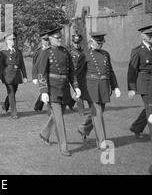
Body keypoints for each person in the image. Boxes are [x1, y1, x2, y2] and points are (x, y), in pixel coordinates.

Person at [38, 27, 81, 157]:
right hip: (52, 89)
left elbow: (71, 72)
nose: (59, 39)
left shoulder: (65, 52)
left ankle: (44, 134)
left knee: (57, 116)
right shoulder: (46, 53)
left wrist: (76, 86)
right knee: (59, 119)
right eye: (56, 38)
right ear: (50, 39)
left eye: (59, 37)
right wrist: (44, 91)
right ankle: (64, 147)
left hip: (64, 89)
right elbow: (42, 73)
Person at [79, 32, 121, 150]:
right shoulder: (85, 54)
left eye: (101, 43)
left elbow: (110, 71)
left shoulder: (105, 54)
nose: (100, 45)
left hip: (103, 87)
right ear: (91, 41)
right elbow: (79, 74)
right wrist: (80, 89)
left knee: (99, 112)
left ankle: (83, 128)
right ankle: (102, 142)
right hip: (91, 88)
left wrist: (115, 87)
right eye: (98, 43)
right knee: (97, 114)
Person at [127, 25, 152, 146]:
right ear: (142, 36)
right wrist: (131, 88)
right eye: (149, 35)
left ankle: (136, 127)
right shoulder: (137, 51)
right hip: (145, 83)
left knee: (150, 108)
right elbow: (132, 71)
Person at [0, 33, 27, 119]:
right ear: (6, 41)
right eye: (10, 39)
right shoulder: (3, 52)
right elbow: (0, 66)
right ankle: (14, 113)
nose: (13, 41)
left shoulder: (18, 51)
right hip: (7, 76)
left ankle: (5, 106)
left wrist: (24, 76)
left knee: (14, 91)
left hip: (17, 76)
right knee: (11, 93)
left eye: (14, 39)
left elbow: (22, 65)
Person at [32, 31, 50, 112]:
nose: (47, 41)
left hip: (50, 73)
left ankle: (38, 106)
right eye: (45, 40)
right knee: (46, 90)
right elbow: (35, 65)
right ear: (41, 40)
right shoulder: (38, 51)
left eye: (48, 39)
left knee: (48, 90)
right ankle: (39, 106)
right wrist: (34, 76)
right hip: (41, 74)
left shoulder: (51, 49)